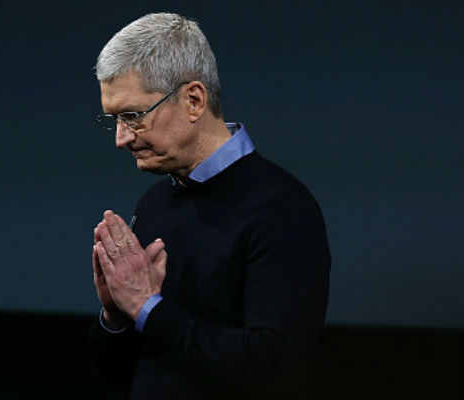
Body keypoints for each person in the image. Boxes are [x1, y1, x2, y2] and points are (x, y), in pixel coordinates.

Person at [87, 12, 330, 399]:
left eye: (132, 116)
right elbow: (119, 373)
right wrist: (117, 314)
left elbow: (272, 363)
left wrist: (148, 307)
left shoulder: (281, 209)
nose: (121, 139)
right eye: (113, 119)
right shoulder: (154, 203)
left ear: (194, 100)